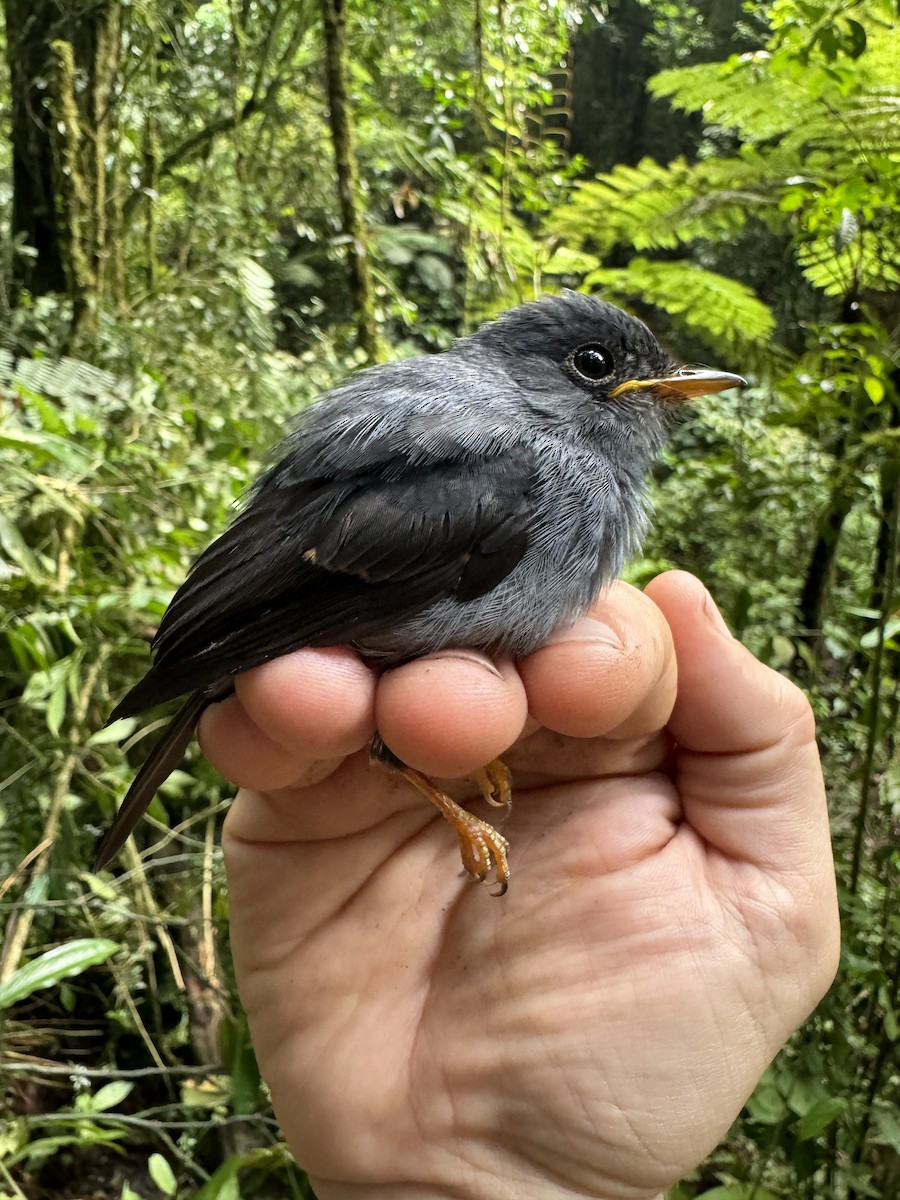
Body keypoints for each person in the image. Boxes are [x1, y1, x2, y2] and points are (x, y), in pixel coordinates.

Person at [200, 571, 840, 1200]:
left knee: (447, 705)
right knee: (413, 706)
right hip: (328, 695)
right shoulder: (525, 477)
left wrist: (520, 1180)